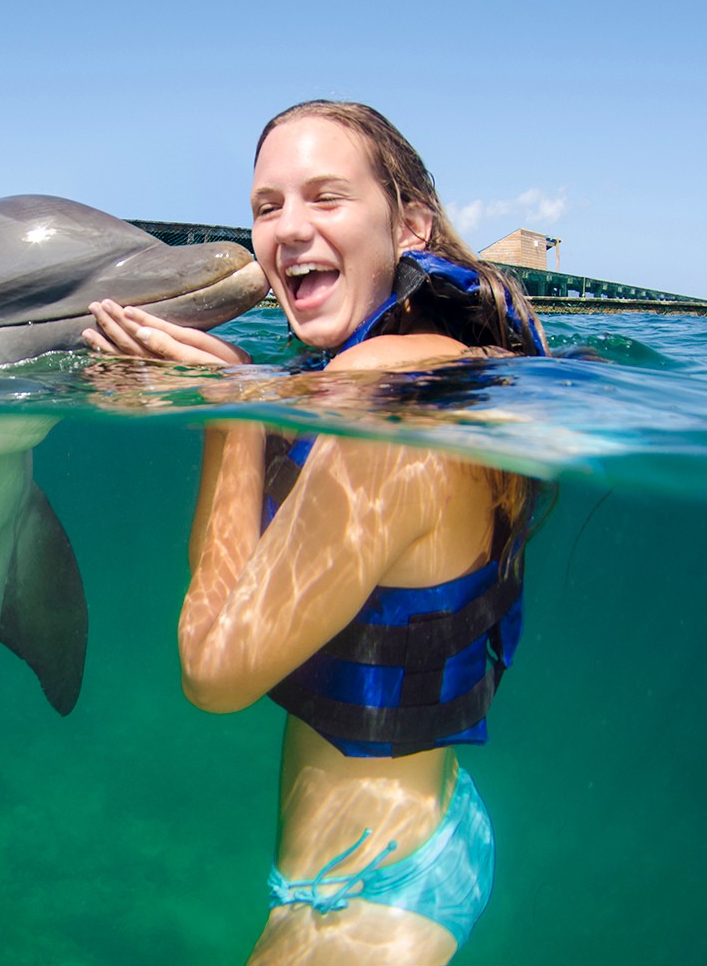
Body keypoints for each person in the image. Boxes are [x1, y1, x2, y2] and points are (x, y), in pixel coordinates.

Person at [83, 100, 548, 965]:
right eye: (267, 207)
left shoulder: (383, 385)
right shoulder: (367, 375)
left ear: (408, 226)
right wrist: (250, 398)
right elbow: (241, 583)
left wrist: (231, 410)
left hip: (376, 895)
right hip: (398, 842)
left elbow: (214, 671)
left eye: (325, 198)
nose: (289, 229)